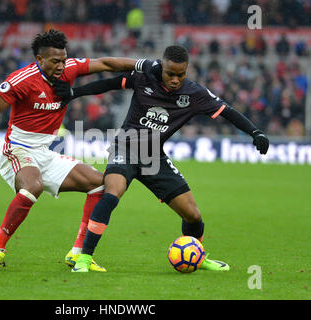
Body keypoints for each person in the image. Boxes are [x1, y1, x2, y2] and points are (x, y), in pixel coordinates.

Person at [54, 45, 270, 272]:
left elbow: (228, 111)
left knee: (193, 215)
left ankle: (198, 255)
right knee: (111, 193)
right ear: (162, 67)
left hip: (152, 156)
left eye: (181, 75)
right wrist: (74, 93)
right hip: (125, 147)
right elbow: (110, 83)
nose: (176, 80)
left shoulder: (195, 94)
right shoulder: (144, 75)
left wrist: (255, 132)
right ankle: (84, 259)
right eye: (171, 74)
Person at [0, 29, 152, 272]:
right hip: (18, 149)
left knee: (100, 184)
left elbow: (106, 63)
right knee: (33, 187)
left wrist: (144, 64)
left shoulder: (70, 68)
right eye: (55, 61)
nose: (62, 66)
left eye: (64, 60)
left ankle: (77, 253)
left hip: (44, 151)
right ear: (39, 60)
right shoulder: (22, 79)